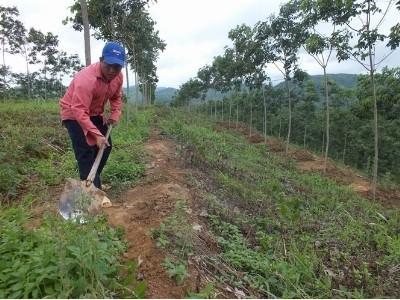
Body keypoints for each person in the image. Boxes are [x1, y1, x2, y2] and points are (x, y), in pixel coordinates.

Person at [60, 41, 125, 189]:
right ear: (101, 60)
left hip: (94, 112)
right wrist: (96, 135)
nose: (112, 70)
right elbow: (78, 110)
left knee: (105, 147)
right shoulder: (86, 79)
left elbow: (116, 97)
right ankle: (91, 193)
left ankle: (92, 181)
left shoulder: (118, 77)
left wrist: (115, 113)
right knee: (85, 151)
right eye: (108, 65)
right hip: (73, 113)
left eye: (117, 67)